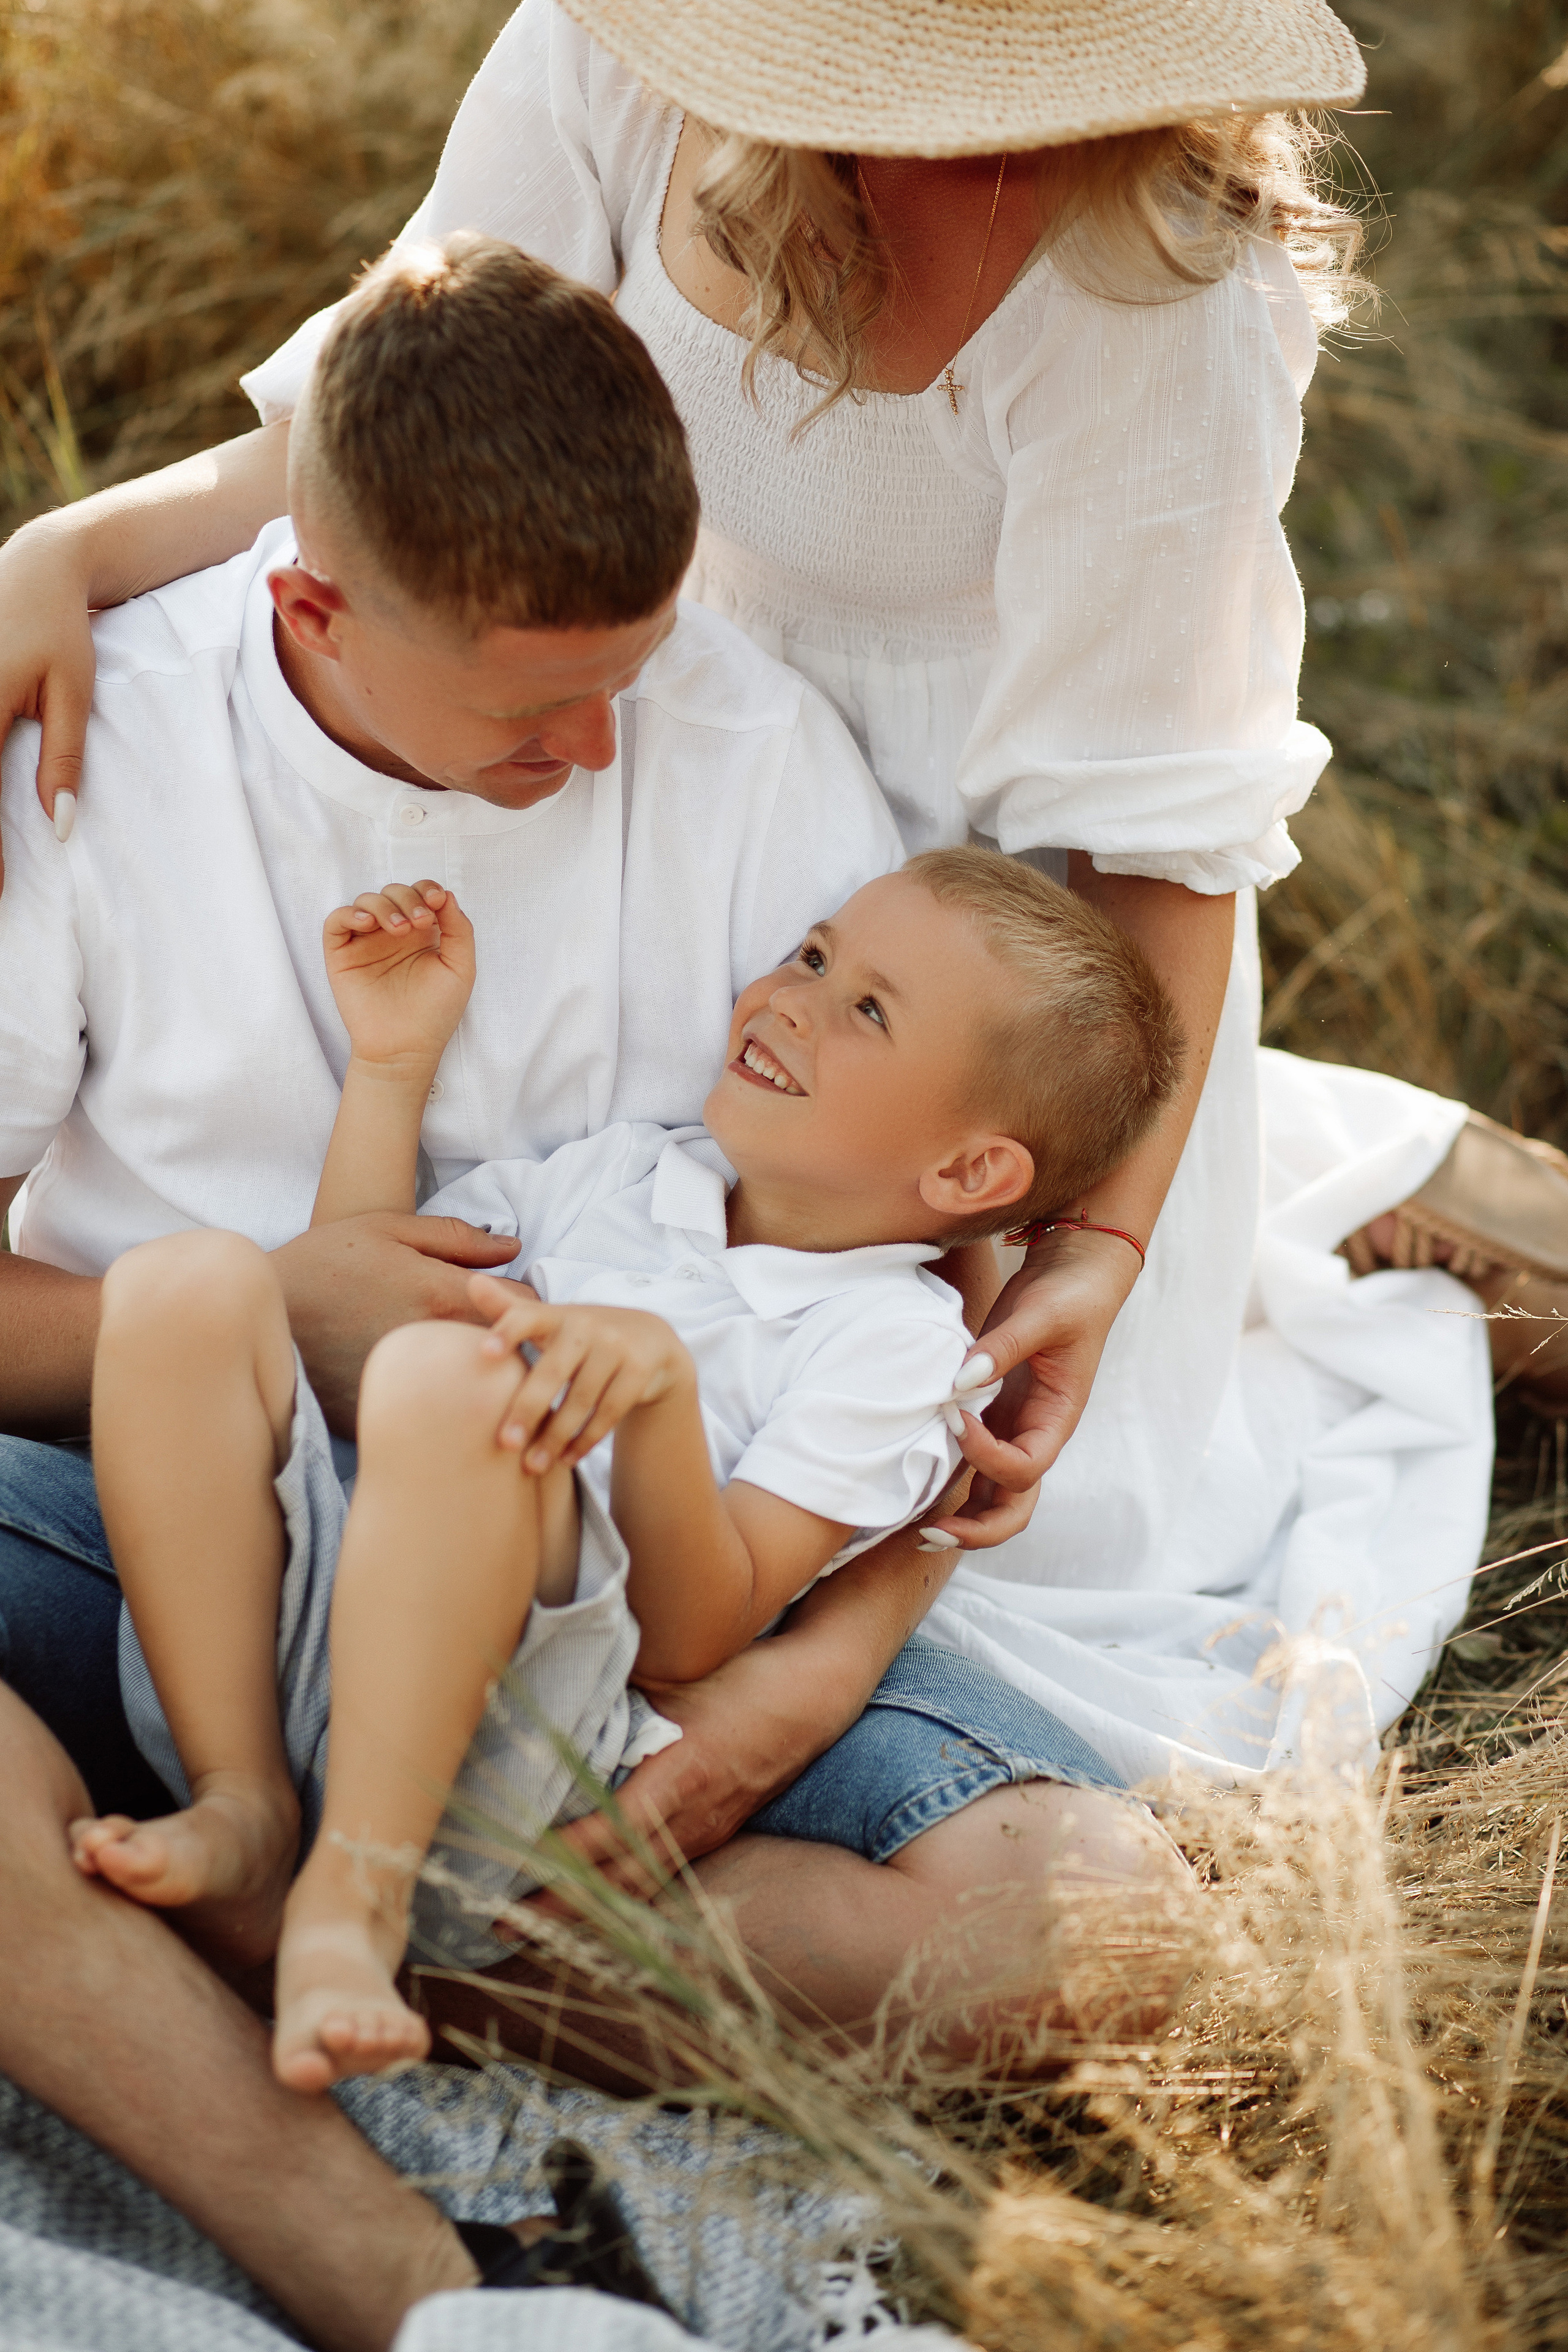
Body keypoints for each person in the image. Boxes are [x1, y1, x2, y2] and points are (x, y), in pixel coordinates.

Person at [6, 0, 1568, 1819]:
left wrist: (1101, 1250)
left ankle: (1379, 1202)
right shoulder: (621, 59)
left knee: (961, 1471)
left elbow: (1157, 843)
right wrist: (70, 551)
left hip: (985, 908)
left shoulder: (1160, 293)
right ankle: (1387, 1175)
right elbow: (399, 425)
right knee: (660, 1239)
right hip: (648, 736)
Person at [0, 225, 1187, 2345]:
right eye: (539, 717)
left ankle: (313, 1920)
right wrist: (292, 1309)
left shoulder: (745, 754)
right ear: (313, 612)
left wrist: (809, 1680)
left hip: (629, 1592)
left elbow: (919, 1317)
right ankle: (388, 2259)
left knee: (1093, 1942)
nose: (607, 751)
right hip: (147, 1498)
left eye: (628, 681)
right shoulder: (93, 758)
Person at [74, 848, 1183, 2094]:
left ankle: (361, 1895)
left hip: (535, 1712)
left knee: (461, 1389)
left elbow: (695, 1634)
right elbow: (359, 1292)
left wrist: (654, 1403)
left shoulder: (896, 1353)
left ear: (968, 1174)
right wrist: (390, 1071)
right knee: (185, 1288)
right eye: (811, 954)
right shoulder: (627, 1174)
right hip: (333, 1588)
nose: (788, 997)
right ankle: (241, 1804)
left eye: (864, 1009)